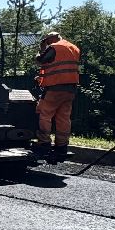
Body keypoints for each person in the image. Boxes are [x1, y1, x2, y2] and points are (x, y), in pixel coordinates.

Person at [33, 30, 81, 164]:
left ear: (51, 39)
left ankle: (44, 143)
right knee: (63, 118)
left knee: (44, 114)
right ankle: (61, 146)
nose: (47, 43)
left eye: (47, 41)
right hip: (70, 89)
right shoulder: (74, 48)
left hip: (55, 88)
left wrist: (41, 49)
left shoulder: (55, 47)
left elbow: (40, 60)